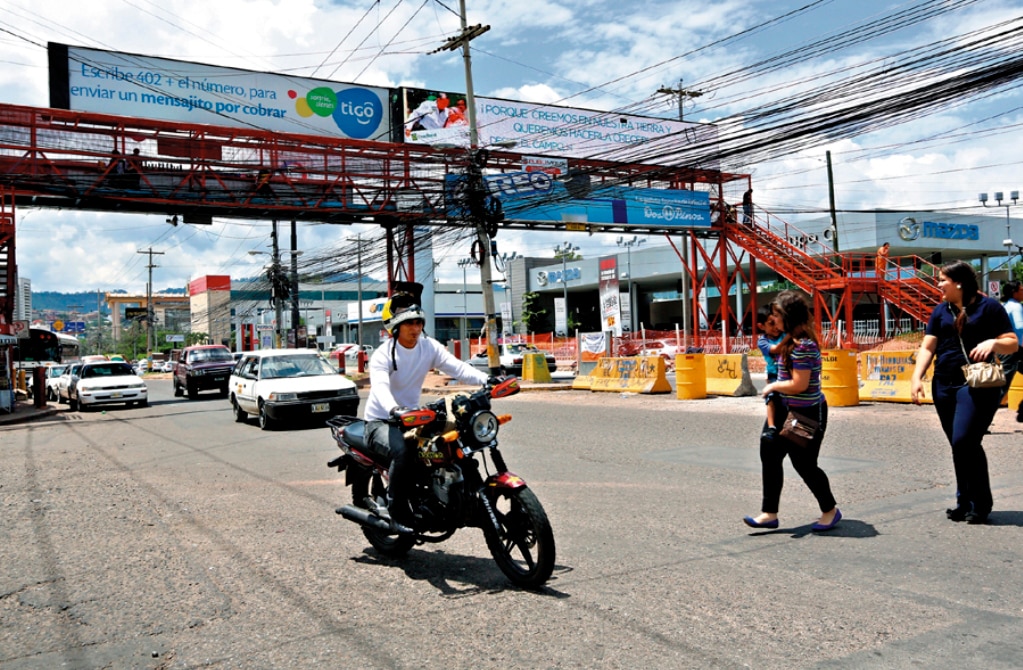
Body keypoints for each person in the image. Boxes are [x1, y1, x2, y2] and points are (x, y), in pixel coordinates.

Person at [363, 282, 490, 534]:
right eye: (409, 324)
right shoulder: (383, 355)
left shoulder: (428, 346)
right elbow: (380, 388)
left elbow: (457, 367)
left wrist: (488, 380)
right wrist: (394, 409)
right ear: (395, 327)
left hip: (412, 418)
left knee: (451, 443)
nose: (415, 328)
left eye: (418, 322)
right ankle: (396, 509)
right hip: (381, 421)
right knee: (402, 452)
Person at [910, 260, 1018, 524]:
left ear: (958, 283)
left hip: (976, 384)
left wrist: (993, 343)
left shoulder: (989, 307)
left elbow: (1012, 343)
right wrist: (916, 377)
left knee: (964, 441)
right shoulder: (940, 311)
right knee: (960, 447)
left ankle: (980, 503)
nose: (938, 285)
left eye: (942, 280)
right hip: (943, 384)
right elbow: (928, 347)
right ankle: (965, 502)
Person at [744, 290, 840, 532]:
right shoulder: (789, 340)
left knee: (804, 464)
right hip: (785, 407)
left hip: (805, 412)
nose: (773, 320)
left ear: (788, 316)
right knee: (769, 452)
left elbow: (800, 384)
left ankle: (830, 510)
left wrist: (773, 386)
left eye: (777, 315)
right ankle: (769, 513)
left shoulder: (803, 346)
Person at [756, 303, 785, 435]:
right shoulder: (763, 342)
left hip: (787, 373)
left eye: (777, 322)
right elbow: (776, 349)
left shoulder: (784, 334)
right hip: (774, 374)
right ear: (761, 326)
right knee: (771, 398)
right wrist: (789, 337)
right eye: (771, 324)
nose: (776, 327)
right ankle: (771, 425)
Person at [998, 280, 1023, 419]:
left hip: (1004, 347)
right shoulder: (1016, 306)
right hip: (1014, 348)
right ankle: (979, 418)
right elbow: (1020, 327)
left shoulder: (1006, 305)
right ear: (1014, 292)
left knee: (1002, 383)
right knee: (1002, 386)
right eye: (1021, 290)